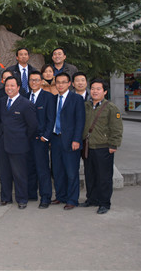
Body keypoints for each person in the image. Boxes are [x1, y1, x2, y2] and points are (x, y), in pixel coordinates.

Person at [80, 78, 123, 214]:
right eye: (93, 88)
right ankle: (92, 199)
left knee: (104, 177)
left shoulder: (111, 108)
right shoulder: (86, 106)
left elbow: (116, 128)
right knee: (90, 175)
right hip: (88, 147)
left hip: (103, 147)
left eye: (98, 89)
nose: (95, 91)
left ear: (104, 92)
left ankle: (104, 203)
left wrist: (113, 144)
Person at [0, 76, 38, 209]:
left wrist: (23, 138)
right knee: (4, 173)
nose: (9, 88)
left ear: (18, 87)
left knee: (19, 174)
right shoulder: (2, 101)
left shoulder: (26, 104)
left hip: (19, 144)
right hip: (2, 143)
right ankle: (6, 198)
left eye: (12, 85)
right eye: (7, 85)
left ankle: (22, 199)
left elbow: (32, 126)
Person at [50, 73, 86, 210]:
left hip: (71, 141)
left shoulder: (76, 99)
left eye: (63, 82)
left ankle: (72, 199)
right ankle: (61, 196)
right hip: (55, 139)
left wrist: (76, 139)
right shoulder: (53, 99)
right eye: (58, 82)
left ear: (69, 84)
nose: (60, 85)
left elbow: (80, 121)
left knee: (71, 172)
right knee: (57, 171)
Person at [27, 71, 55, 209]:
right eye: (31, 80)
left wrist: (46, 136)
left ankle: (45, 197)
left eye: (37, 80)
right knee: (30, 167)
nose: (34, 82)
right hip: (27, 139)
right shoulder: (25, 96)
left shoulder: (48, 97)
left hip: (41, 139)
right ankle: (31, 194)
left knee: (42, 169)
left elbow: (51, 118)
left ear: (41, 81)